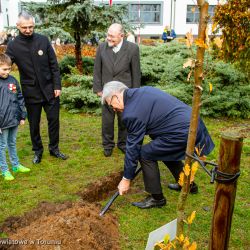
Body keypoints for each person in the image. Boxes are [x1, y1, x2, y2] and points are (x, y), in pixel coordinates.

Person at [102, 81, 215, 209]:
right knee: (161, 150)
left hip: (182, 131)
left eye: (111, 105)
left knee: (145, 154)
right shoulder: (143, 91)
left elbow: (133, 148)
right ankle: (187, 183)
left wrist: (126, 178)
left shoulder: (131, 113)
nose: (114, 109)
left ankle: (157, 198)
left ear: (115, 96)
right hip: (194, 123)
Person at [6, 11, 68, 164]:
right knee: (34, 124)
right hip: (30, 92)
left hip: (50, 90)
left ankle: (54, 148)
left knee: (54, 121)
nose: (28, 30)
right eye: (24, 27)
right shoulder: (13, 46)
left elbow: (54, 65)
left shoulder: (43, 40)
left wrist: (57, 85)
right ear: (18, 26)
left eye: (31, 27)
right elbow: (5, 65)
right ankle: (37, 151)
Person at [93, 23, 141, 157]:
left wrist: (134, 93)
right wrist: (98, 89)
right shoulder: (102, 47)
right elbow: (97, 70)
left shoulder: (132, 49)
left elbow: (136, 73)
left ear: (121, 36)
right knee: (107, 120)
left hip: (124, 93)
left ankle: (123, 143)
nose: (108, 38)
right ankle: (107, 145)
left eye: (112, 36)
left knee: (124, 120)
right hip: (106, 92)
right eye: (108, 35)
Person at [0, 53, 31, 181]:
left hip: (14, 119)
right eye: (4, 69)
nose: (7, 72)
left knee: (12, 143)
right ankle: (4, 170)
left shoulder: (13, 81)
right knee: (2, 146)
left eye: (9, 69)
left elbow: (19, 98)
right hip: (2, 123)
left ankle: (16, 165)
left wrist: (22, 115)